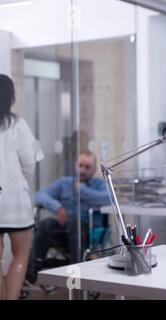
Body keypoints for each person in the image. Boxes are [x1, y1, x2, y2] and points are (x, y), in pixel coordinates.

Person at [25, 151, 110, 285]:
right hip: (63, 230)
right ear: (75, 166)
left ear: (94, 170)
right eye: (80, 165)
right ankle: (33, 271)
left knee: (75, 223)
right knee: (46, 224)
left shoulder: (99, 184)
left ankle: (76, 268)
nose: (82, 170)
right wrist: (57, 207)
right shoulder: (65, 182)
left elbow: (108, 199)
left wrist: (81, 189)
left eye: (87, 167)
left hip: (87, 231)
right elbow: (40, 195)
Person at [0, 74, 44, 299]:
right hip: (15, 203)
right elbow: (30, 162)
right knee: (20, 255)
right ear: (10, 97)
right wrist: (23, 181)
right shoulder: (18, 124)